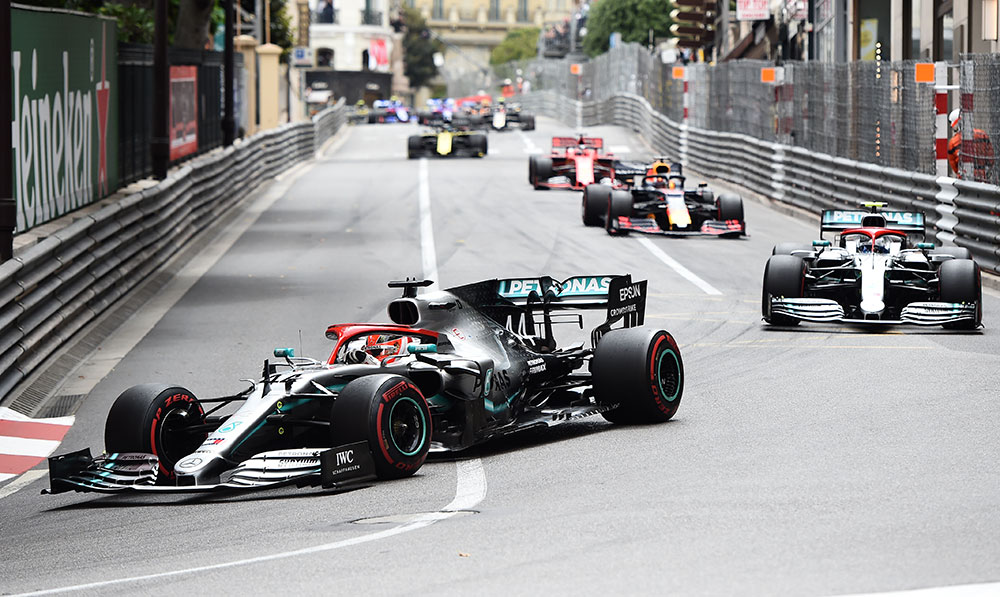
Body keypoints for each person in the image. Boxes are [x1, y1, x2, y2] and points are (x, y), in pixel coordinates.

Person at [947, 108, 995, 181]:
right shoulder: (982, 135)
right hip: (982, 176)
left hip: (964, 177)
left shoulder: (953, 142)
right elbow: (991, 158)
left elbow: (954, 166)